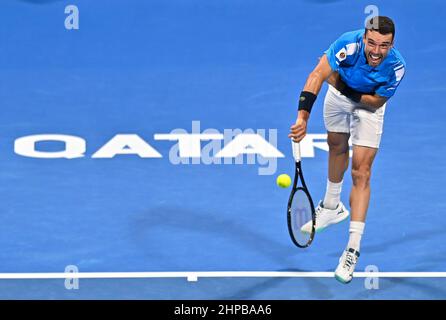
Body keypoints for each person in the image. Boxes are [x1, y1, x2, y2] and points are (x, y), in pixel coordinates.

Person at [288, 16, 406, 284]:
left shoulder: (396, 67)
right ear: (364, 37)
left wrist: (340, 84)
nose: (377, 51)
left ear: (392, 44)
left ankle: (352, 249)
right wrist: (303, 117)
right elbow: (318, 74)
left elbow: (374, 102)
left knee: (361, 172)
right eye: (372, 43)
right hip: (337, 99)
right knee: (335, 145)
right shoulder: (348, 44)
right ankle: (332, 207)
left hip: (367, 108)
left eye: (384, 46)